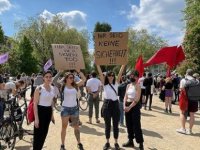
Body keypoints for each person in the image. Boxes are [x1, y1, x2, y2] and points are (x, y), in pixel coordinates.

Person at [97, 65, 125, 150]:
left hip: (115, 105)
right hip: (107, 105)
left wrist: (123, 64)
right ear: (107, 76)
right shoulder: (104, 84)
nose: (111, 77)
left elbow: (120, 73)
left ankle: (116, 142)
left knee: (116, 125)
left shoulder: (116, 83)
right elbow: (100, 73)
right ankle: (107, 142)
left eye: (113, 75)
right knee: (107, 125)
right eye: (109, 75)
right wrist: (97, 64)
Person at [60, 69, 86, 150]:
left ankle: (79, 143)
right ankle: (62, 145)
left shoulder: (75, 85)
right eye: (70, 77)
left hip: (74, 108)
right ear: (66, 78)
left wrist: (79, 71)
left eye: (72, 77)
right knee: (64, 127)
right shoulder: (63, 85)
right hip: (65, 108)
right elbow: (53, 81)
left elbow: (84, 79)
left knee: (76, 127)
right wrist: (60, 72)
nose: (72, 79)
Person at [33, 70, 56, 150]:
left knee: (44, 134)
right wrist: (36, 118)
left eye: (50, 77)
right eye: (47, 77)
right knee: (38, 135)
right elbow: (35, 103)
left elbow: (52, 102)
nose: (48, 78)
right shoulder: (39, 88)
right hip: (40, 111)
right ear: (43, 78)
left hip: (48, 111)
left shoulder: (53, 88)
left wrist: (52, 115)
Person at [122, 70, 144, 150]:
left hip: (134, 107)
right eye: (131, 75)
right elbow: (125, 96)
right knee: (128, 124)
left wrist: (129, 107)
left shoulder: (138, 86)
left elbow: (137, 99)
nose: (132, 77)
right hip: (127, 106)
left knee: (136, 125)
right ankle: (130, 141)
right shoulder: (128, 85)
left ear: (137, 77)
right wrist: (124, 105)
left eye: (134, 76)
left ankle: (140, 143)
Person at [176, 69, 199, 135]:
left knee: (182, 113)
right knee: (192, 115)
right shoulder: (197, 81)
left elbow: (181, 90)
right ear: (192, 74)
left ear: (186, 73)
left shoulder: (183, 80)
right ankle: (190, 130)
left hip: (186, 99)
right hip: (194, 99)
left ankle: (183, 129)